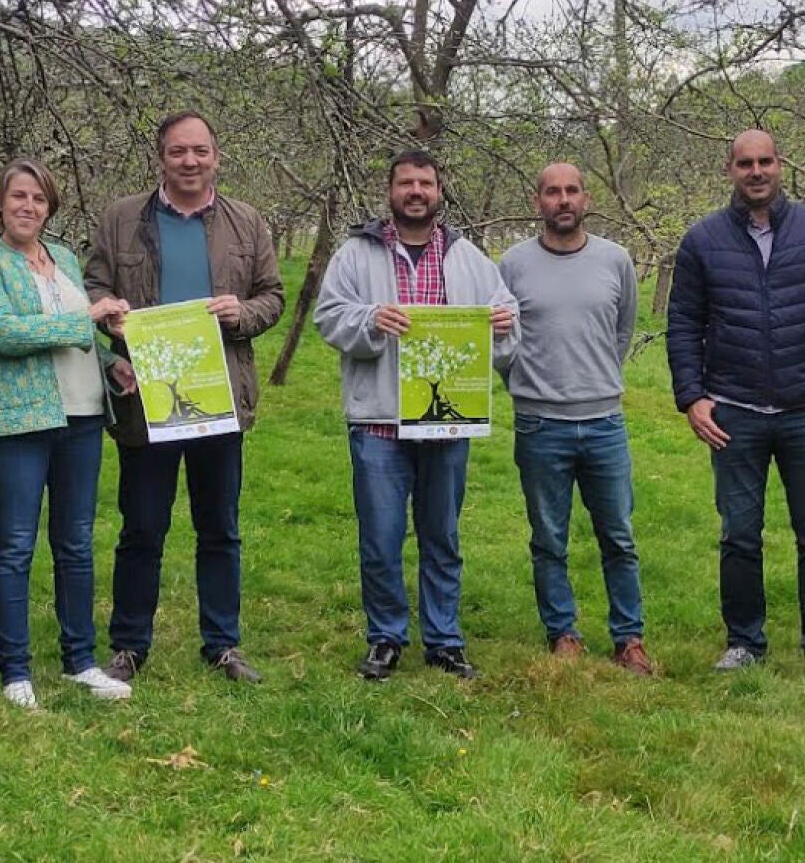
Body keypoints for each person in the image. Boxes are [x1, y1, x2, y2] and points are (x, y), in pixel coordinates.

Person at [83, 111, 285, 684]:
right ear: (161, 158)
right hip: (146, 398)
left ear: (216, 156)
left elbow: (273, 295)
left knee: (218, 527)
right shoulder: (122, 219)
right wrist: (109, 315)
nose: (189, 161)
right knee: (142, 528)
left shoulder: (247, 222)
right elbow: (94, 285)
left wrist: (242, 312)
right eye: (178, 152)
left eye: (200, 151)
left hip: (217, 395)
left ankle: (222, 644)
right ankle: (129, 646)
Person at [666, 129, 805, 685]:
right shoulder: (702, 240)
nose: (756, 171)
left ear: (781, 165)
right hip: (734, 411)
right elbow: (683, 325)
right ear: (729, 170)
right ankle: (744, 642)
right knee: (739, 534)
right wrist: (692, 397)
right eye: (745, 163)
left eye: (765, 161)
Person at [314, 150, 517, 680]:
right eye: (406, 183)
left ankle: (444, 640)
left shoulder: (469, 257)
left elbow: (507, 319)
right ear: (390, 192)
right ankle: (385, 637)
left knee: (441, 535)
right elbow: (328, 316)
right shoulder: (356, 254)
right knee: (381, 538)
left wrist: (500, 326)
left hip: (448, 420)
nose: (416, 191)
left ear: (439, 191)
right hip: (378, 421)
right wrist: (370, 319)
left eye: (425, 182)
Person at [0, 160, 138, 708]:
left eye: (38, 198)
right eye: (18, 196)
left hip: (81, 415)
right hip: (16, 420)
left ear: (49, 207)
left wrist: (110, 362)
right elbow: (4, 332)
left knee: (76, 543)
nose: (28, 206)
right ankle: (15, 670)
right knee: (14, 546)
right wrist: (90, 318)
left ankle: (80, 660)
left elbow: (73, 338)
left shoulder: (63, 259)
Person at [499, 162, 651, 674]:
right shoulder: (513, 264)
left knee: (619, 536)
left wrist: (596, 377)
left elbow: (622, 331)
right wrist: (528, 385)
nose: (562, 200)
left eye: (572, 191)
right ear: (537, 201)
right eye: (552, 192)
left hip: (604, 421)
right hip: (539, 424)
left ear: (587, 198)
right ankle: (562, 631)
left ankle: (628, 638)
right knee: (548, 538)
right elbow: (502, 341)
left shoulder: (616, 260)